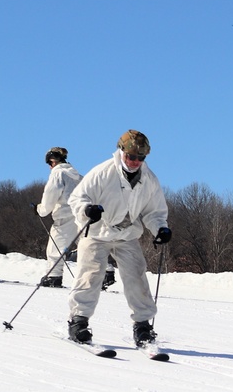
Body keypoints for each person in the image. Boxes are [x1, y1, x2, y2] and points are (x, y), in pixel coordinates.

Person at [66, 129, 171, 347]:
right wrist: (87, 210)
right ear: (121, 151)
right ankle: (78, 321)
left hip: (127, 234)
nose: (134, 162)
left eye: (140, 158)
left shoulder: (149, 180)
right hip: (97, 232)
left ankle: (143, 326)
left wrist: (160, 228)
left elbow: (155, 212)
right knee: (91, 275)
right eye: (131, 156)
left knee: (136, 277)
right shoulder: (103, 172)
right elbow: (78, 197)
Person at [36, 147, 82, 288]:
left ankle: (54, 276)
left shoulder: (58, 174)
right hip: (82, 216)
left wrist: (40, 209)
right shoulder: (78, 176)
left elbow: (50, 196)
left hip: (65, 216)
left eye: (49, 164)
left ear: (52, 161)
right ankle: (105, 273)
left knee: (55, 248)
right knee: (89, 246)